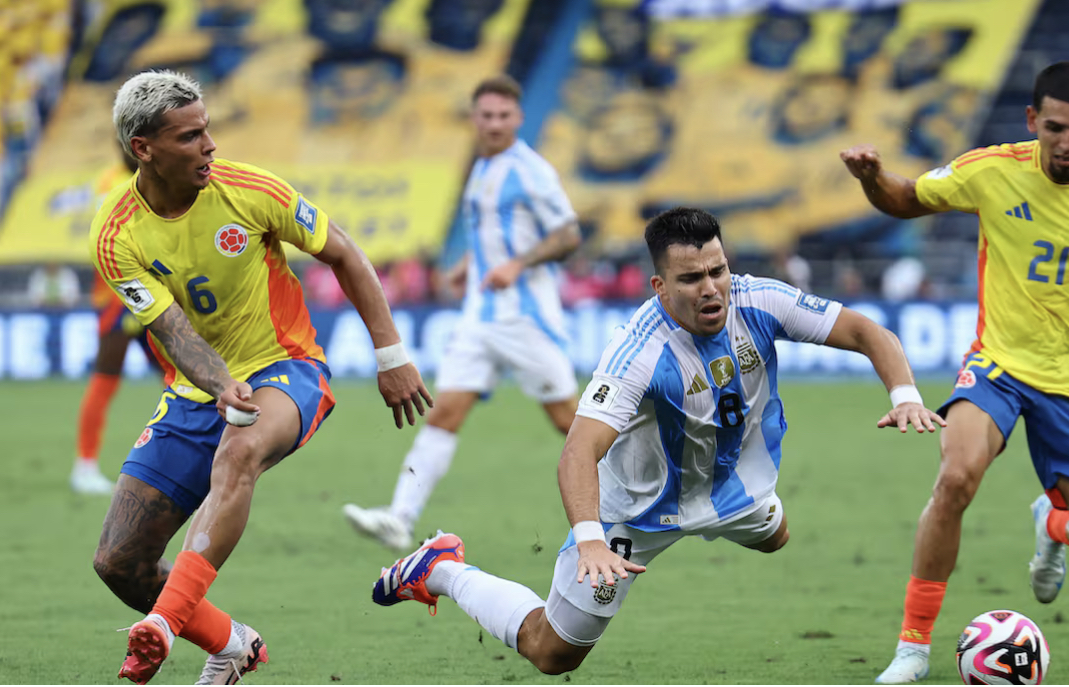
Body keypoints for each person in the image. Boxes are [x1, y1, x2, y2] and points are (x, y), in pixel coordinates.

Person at [365, 206, 945, 675]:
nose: (712, 288)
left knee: (776, 537)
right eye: (692, 279)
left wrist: (905, 395)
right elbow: (578, 450)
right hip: (635, 514)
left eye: (717, 270)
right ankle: (442, 568)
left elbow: (866, 331)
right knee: (552, 653)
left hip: (731, 489)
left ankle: (744, 512)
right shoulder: (638, 351)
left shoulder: (759, 299)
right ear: (660, 286)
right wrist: (592, 541)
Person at [90, 69, 432, 685]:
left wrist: (391, 356)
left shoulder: (249, 190)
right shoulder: (116, 234)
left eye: (207, 129)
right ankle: (231, 644)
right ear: (144, 149)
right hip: (196, 390)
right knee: (119, 561)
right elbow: (171, 329)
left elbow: (343, 252)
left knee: (240, 448)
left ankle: (163, 623)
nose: (210, 146)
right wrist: (219, 384)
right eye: (190, 136)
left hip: (288, 366)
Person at [839, 61, 1069, 684]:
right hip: (998, 365)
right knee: (956, 476)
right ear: (1032, 120)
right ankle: (912, 648)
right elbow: (907, 199)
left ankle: (1051, 521)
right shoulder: (992, 169)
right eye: (1054, 127)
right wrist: (873, 178)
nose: (1066, 142)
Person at [343, 74, 583, 550]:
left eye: (503, 116)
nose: (494, 124)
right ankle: (399, 518)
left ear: (518, 118)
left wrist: (517, 265)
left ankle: (648, 484)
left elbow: (568, 234)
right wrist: (470, 265)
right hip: (479, 318)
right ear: (474, 118)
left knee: (569, 421)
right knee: (443, 414)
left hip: (525, 318)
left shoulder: (530, 171)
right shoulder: (482, 166)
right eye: (486, 115)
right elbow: (499, 232)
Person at [73, 152, 147, 495]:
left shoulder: (156, 177)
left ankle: (189, 459)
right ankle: (85, 465)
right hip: (118, 296)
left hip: (158, 293)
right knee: (106, 376)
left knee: (181, 378)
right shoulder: (112, 182)